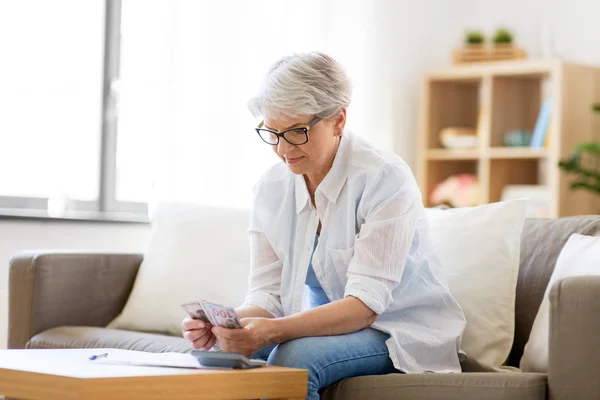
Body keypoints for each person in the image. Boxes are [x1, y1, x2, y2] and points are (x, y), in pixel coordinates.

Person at [182, 52, 466, 399]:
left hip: (397, 327)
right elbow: (266, 296)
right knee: (217, 356)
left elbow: (364, 305)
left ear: (338, 120)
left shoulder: (384, 178)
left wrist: (272, 332)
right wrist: (226, 326)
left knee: (293, 358)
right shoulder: (271, 188)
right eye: (272, 132)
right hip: (325, 326)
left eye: (297, 132)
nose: (284, 149)